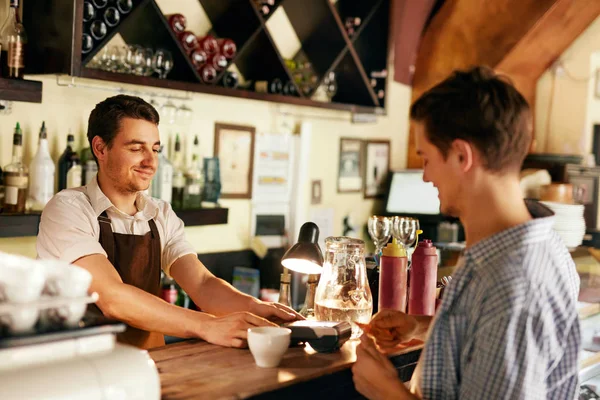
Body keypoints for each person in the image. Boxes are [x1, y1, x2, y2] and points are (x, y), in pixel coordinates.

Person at [352, 66, 581, 399]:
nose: (426, 176)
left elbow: (505, 320)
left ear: (462, 155)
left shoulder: (513, 285)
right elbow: (489, 335)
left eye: (426, 158)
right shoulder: (529, 246)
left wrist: (387, 391)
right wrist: (419, 325)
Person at [37, 95, 301, 349]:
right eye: (136, 148)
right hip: (85, 372)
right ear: (100, 148)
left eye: (155, 149)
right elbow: (111, 297)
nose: (151, 162)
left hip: (152, 365)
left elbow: (202, 284)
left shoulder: (160, 213)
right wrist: (207, 325)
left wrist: (258, 310)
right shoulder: (68, 209)